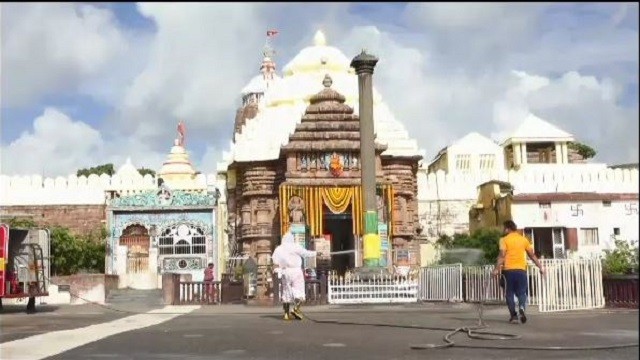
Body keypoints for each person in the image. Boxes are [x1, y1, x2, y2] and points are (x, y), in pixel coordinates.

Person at [492, 220, 545, 324]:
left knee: (509, 294)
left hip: (508, 271)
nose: (503, 230)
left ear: (507, 228)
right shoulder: (523, 240)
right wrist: (541, 267)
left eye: (504, 228)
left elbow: (502, 256)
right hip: (521, 270)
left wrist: (496, 269)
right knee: (522, 293)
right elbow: (532, 255)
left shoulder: (504, 240)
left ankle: (514, 316)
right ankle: (521, 307)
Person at [272, 231, 317, 320]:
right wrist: (316, 253)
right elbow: (306, 253)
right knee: (299, 291)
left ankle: (286, 314)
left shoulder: (279, 249)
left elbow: (274, 261)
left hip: (285, 271)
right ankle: (296, 309)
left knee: (286, 292)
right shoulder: (295, 246)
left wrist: (277, 269)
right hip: (296, 271)